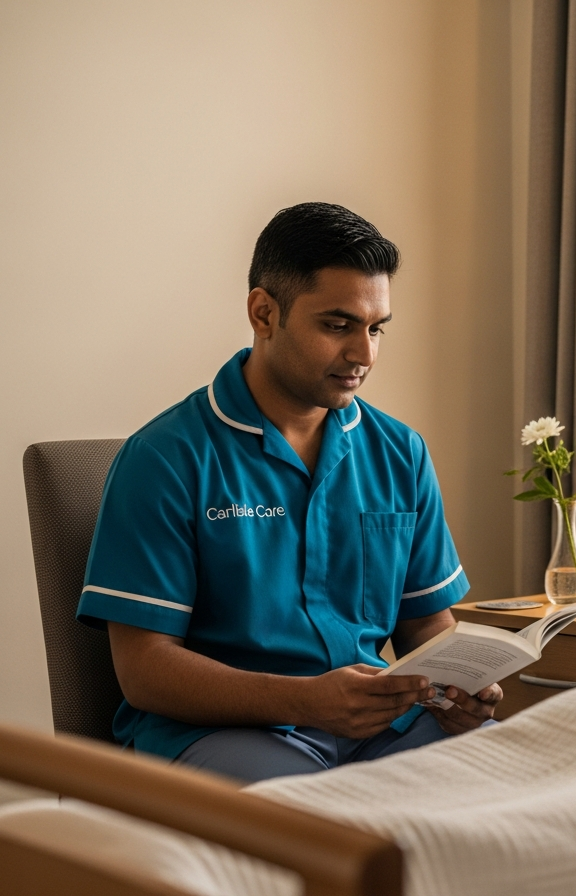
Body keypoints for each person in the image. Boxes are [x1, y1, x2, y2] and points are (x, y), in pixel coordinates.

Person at [77, 202, 501, 783]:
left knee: (513, 777)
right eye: (337, 325)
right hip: (221, 736)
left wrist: (462, 687)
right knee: (320, 826)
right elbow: (144, 670)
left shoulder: (401, 451)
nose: (363, 355)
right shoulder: (164, 459)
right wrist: (306, 701)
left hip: (380, 728)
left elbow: (425, 624)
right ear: (264, 313)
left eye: (375, 328)